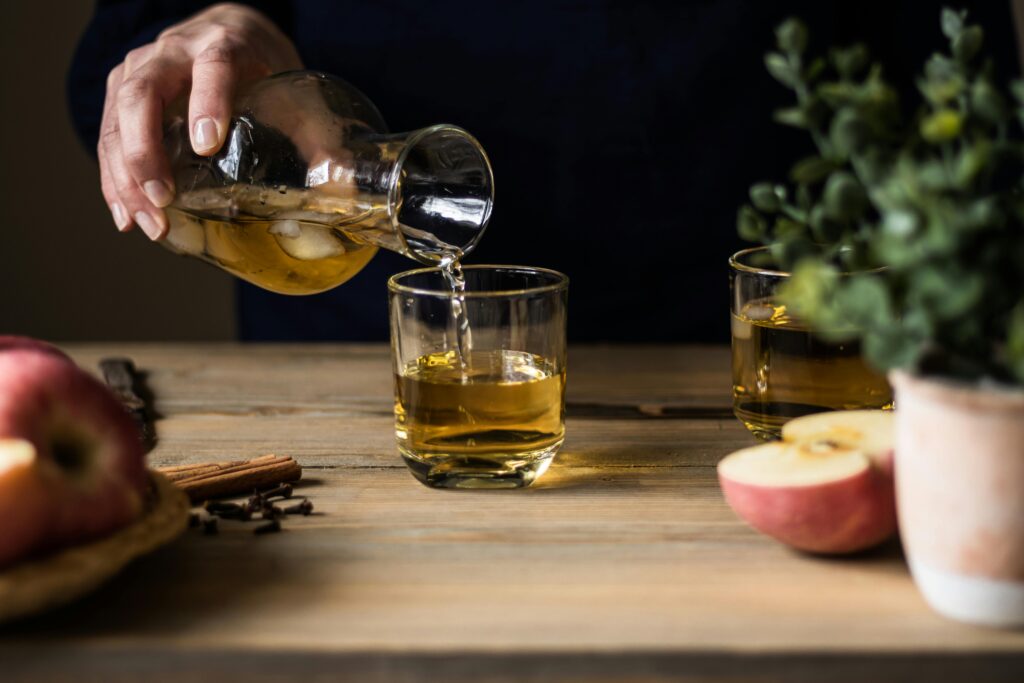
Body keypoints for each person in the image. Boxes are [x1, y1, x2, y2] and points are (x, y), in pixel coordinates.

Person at [68, 1, 1020, 342]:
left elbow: (968, 104)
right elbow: (116, 49)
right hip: (348, 381)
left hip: (748, 348)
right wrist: (219, 20)